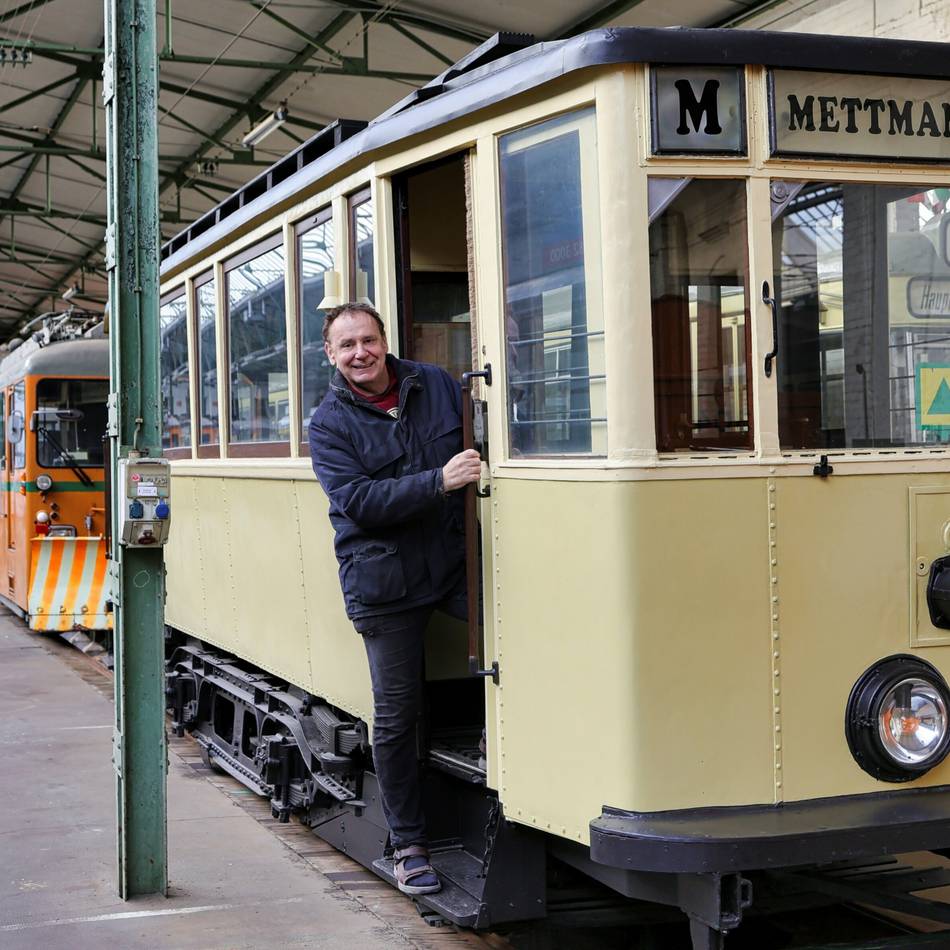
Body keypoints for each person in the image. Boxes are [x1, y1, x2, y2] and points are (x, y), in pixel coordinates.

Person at [308, 301, 481, 897]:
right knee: (398, 713)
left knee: (523, 632)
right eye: (347, 345)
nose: (361, 353)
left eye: (368, 340)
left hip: (452, 562)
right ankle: (409, 843)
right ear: (330, 355)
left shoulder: (433, 383)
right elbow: (359, 502)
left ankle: (505, 740)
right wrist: (438, 481)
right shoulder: (328, 423)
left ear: (385, 341)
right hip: (385, 582)